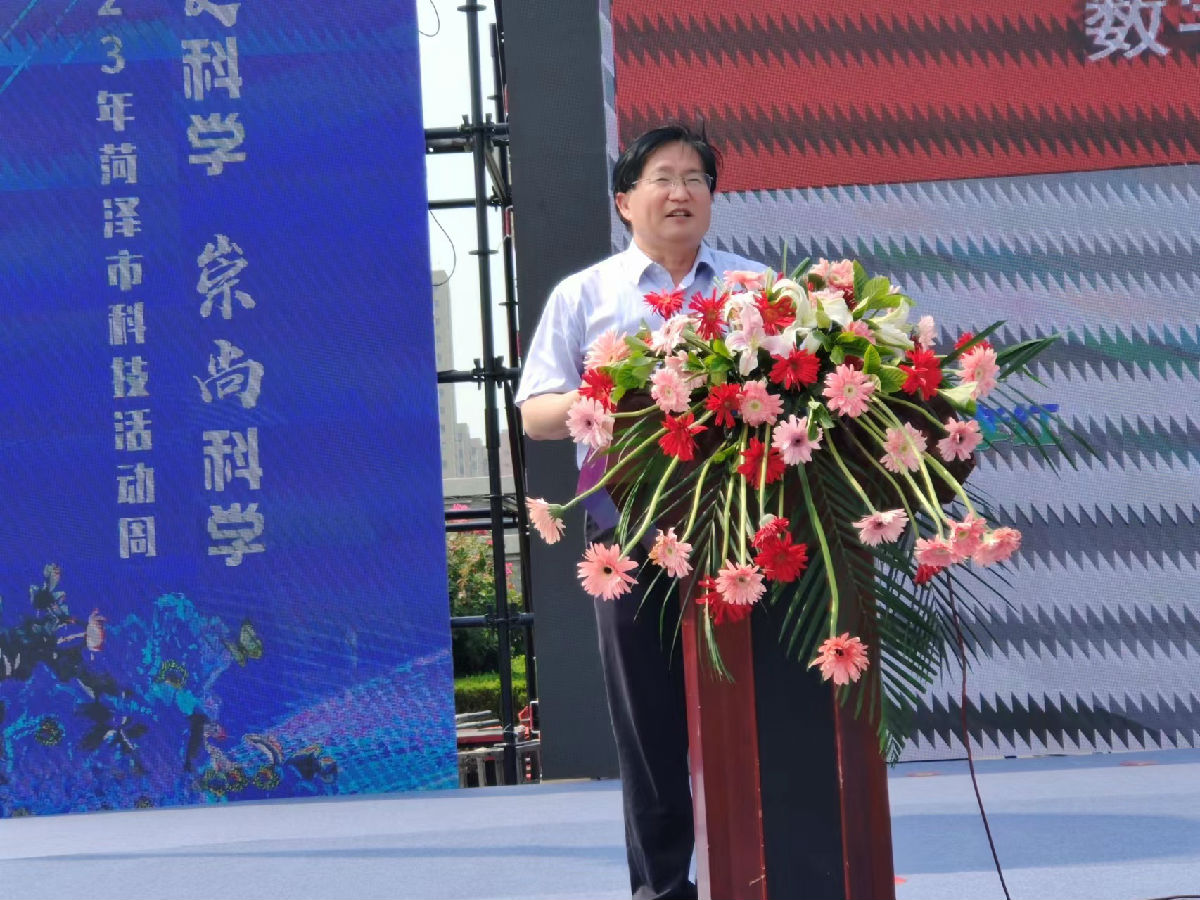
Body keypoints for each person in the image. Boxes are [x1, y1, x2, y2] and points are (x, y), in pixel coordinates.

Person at [515, 124, 766, 900]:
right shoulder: (585, 295)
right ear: (625, 200)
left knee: (755, 718)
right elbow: (535, 411)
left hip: (745, 532)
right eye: (663, 177)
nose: (681, 192)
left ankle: (766, 876)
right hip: (628, 533)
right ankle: (662, 891)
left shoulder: (755, 289)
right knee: (649, 728)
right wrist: (615, 395)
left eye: (696, 179)